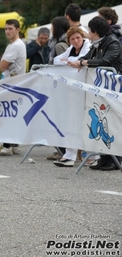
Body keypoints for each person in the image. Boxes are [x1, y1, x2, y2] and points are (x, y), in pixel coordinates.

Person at [68, 16, 122, 171]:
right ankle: (103, 158)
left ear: (95, 31)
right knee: (101, 121)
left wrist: (84, 63)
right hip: (100, 90)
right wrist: (78, 62)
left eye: (89, 30)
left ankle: (114, 159)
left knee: (113, 122)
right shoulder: (96, 44)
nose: (88, 34)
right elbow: (87, 58)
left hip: (114, 89)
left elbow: (106, 61)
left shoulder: (112, 43)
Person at [52, 26, 92, 167]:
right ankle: (70, 155)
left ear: (83, 37)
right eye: (72, 39)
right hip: (73, 91)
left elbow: (82, 60)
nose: (75, 41)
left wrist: (70, 61)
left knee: (87, 121)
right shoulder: (71, 49)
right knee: (71, 121)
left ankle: (91, 155)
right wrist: (69, 62)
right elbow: (57, 60)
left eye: (78, 38)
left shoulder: (88, 46)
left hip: (86, 90)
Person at [0, 19, 27, 156]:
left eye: (10, 28)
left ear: (17, 29)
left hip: (13, 84)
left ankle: (7, 144)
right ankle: (14, 144)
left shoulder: (15, 45)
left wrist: (2, 64)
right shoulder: (14, 45)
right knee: (14, 115)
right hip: (14, 83)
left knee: (8, 115)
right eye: (6, 29)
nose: (8, 31)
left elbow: (2, 66)